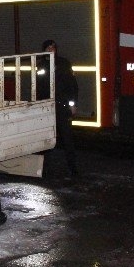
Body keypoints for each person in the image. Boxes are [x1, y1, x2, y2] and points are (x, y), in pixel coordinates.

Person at [38, 39, 79, 177]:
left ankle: (73, 169)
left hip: (62, 107)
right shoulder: (41, 65)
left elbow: (73, 86)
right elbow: (39, 88)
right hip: (48, 108)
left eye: (53, 47)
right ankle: (46, 170)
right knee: (48, 140)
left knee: (68, 139)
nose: (51, 50)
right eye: (48, 48)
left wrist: (72, 105)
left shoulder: (64, 63)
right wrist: (39, 106)